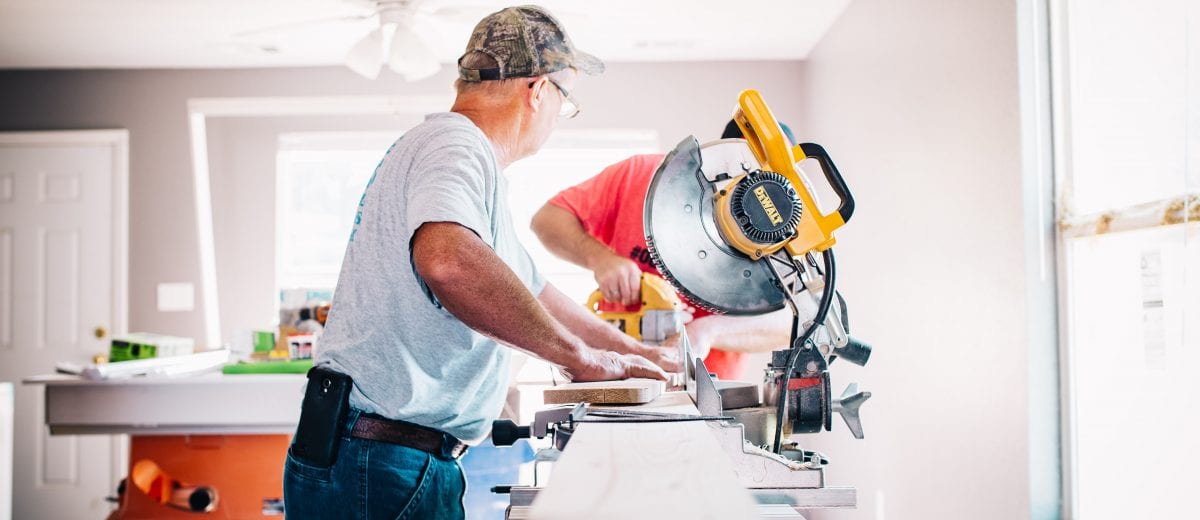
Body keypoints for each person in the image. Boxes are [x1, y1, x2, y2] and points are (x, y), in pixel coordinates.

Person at [282, 6, 678, 519]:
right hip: (380, 461)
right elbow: (448, 262)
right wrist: (577, 358)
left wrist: (628, 350)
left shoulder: (457, 157)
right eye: (566, 100)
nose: (560, 115)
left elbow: (533, 291)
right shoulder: (456, 143)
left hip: (380, 455)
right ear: (537, 90)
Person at [531, 120, 799, 381]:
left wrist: (708, 331)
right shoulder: (641, 175)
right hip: (615, 373)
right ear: (718, 152)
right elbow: (547, 220)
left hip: (708, 390)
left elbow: (792, 322)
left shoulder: (779, 232)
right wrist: (599, 258)